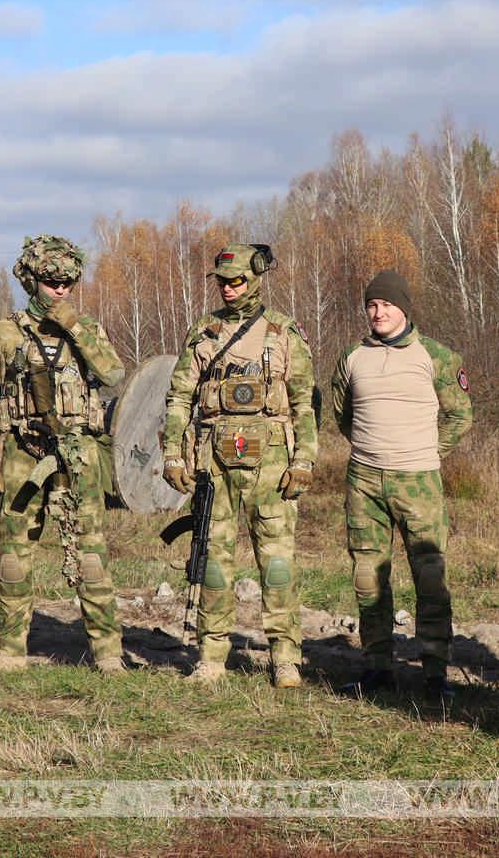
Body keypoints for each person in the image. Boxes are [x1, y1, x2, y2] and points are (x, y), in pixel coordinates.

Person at [160, 244, 318, 688]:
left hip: (272, 463)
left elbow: (306, 402)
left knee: (278, 563)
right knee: (212, 560)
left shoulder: (283, 332)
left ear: (256, 279)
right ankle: (211, 656)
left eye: (237, 281)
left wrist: (304, 459)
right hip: (213, 463)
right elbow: (177, 398)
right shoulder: (204, 333)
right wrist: (173, 453)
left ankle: (285, 657)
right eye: (223, 282)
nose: (229, 289)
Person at [0, 234, 126, 673]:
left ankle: (108, 654)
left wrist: (74, 327)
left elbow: (113, 372)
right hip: (24, 452)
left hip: (79, 456)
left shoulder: (87, 328)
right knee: (14, 557)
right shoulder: (6, 332)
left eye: (67, 282)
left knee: (91, 556)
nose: (59, 290)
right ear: (32, 280)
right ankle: (11, 652)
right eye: (50, 281)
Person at [330, 270, 472, 704]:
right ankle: (377, 668)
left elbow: (460, 416)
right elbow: (342, 413)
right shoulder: (353, 356)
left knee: (430, 577)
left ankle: (434, 675)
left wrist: (427, 451)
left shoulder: (437, 356)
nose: (378, 312)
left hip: (419, 482)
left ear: (404, 308)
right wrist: (372, 448)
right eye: (372, 305)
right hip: (365, 481)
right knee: (368, 576)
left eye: (386, 304)